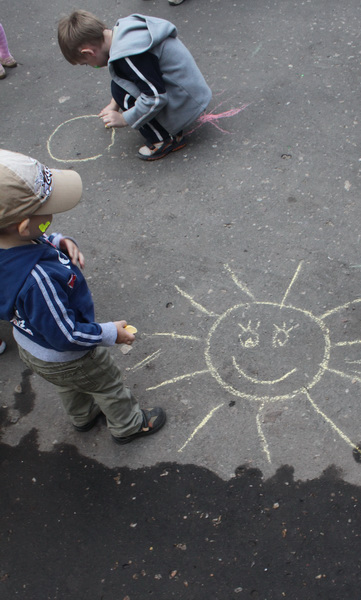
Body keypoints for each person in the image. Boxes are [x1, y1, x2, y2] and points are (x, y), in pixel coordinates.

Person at [0, 149, 166, 444]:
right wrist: (108, 333)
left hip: (33, 347)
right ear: (25, 225)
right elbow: (66, 335)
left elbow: (31, 240)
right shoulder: (39, 280)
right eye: (47, 212)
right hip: (69, 355)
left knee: (70, 386)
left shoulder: (10, 244)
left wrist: (57, 241)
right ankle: (128, 425)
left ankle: (83, 417)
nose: (51, 216)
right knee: (107, 384)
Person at [57, 10, 211, 160]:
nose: (91, 66)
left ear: (89, 53)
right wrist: (113, 105)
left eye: (86, 64)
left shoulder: (130, 57)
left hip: (185, 101)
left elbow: (155, 98)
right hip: (191, 90)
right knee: (118, 88)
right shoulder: (124, 32)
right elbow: (129, 77)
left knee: (122, 93)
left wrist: (124, 118)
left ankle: (165, 140)